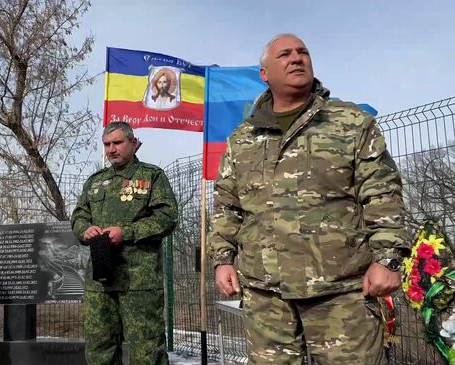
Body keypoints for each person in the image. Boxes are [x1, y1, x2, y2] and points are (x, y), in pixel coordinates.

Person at [208, 34, 409, 365]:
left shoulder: (350, 123)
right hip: (266, 297)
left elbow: (382, 191)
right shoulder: (242, 139)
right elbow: (228, 206)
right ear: (264, 73)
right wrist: (223, 259)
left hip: (341, 295)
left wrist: (387, 259)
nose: (296, 58)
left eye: (303, 52)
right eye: (284, 54)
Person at [71, 121, 178, 365]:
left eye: (117, 143)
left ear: (134, 143)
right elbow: (78, 215)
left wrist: (126, 233)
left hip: (138, 281)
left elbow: (167, 218)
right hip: (100, 282)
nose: (111, 149)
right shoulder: (95, 182)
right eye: (107, 144)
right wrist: (85, 229)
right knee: (99, 349)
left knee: (146, 351)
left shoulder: (152, 177)